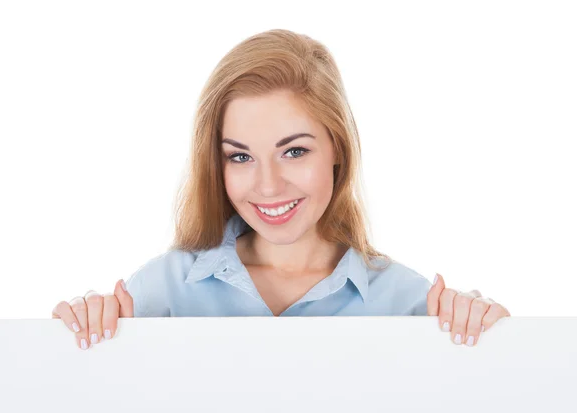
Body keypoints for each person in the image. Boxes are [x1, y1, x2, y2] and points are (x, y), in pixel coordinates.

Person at [52, 29, 510, 350]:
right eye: (240, 156)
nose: (268, 185)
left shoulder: (408, 304)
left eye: (294, 152)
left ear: (337, 147)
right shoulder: (163, 291)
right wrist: (79, 333)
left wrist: (496, 339)